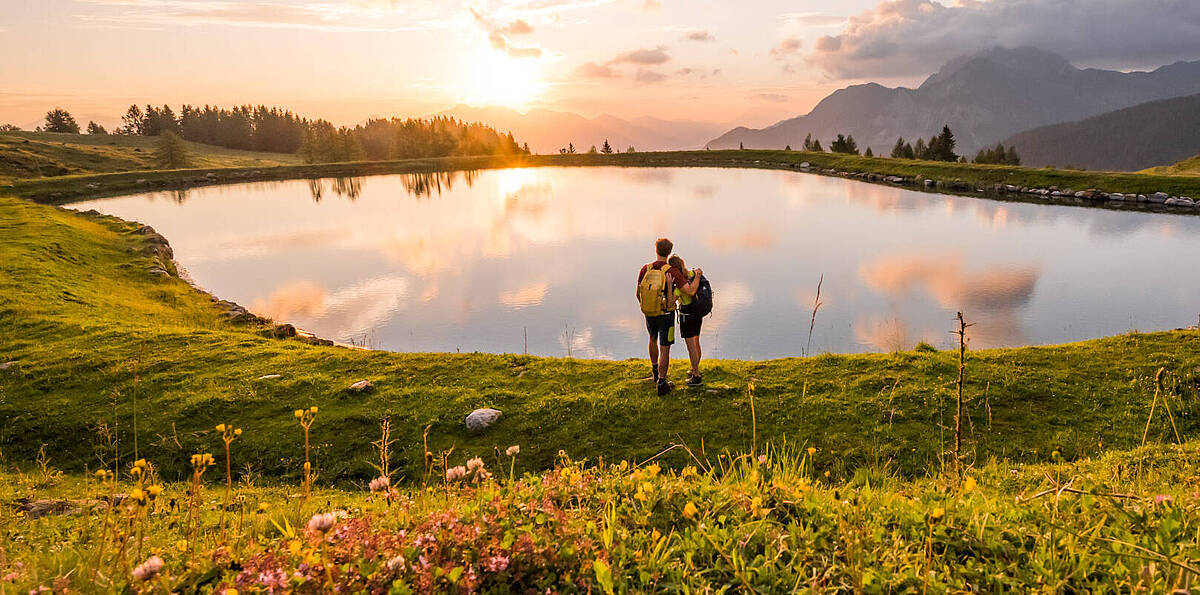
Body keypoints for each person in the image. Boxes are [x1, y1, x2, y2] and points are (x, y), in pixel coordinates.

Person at [637, 238, 701, 395]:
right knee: (664, 349)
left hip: (649, 313)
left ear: (656, 250)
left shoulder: (646, 269)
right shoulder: (672, 271)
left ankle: (654, 371)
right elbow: (690, 291)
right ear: (669, 252)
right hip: (666, 315)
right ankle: (662, 382)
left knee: (652, 339)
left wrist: (646, 307)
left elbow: (638, 294)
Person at [669, 255, 705, 386]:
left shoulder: (679, 284)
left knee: (691, 347)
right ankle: (695, 368)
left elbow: (671, 301)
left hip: (687, 315)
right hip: (697, 313)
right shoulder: (691, 274)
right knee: (696, 342)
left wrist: (669, 285)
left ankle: (696, 375)